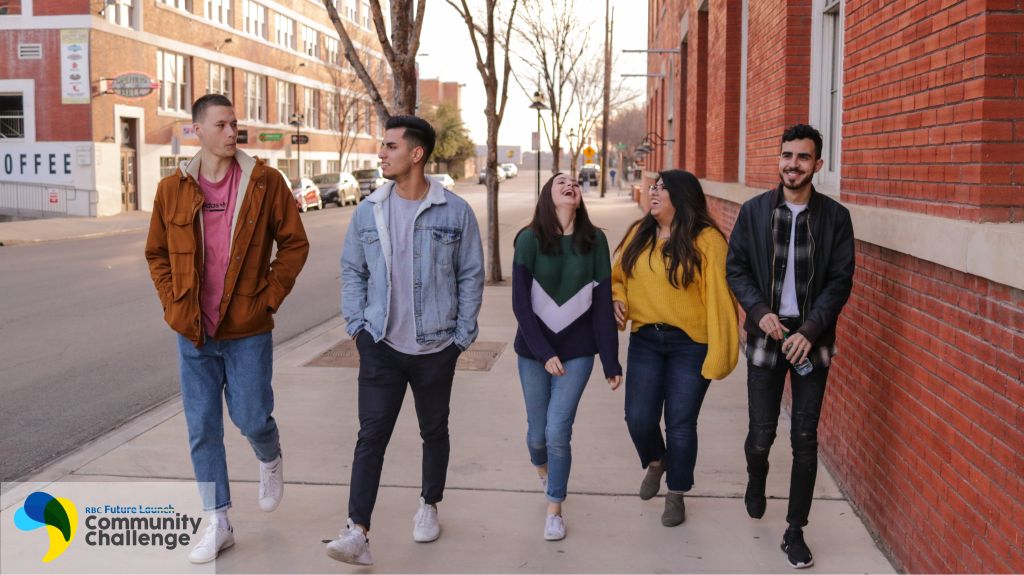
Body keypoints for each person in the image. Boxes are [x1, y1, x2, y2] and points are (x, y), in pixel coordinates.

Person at [144, 94, 309, 564]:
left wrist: (268, 297)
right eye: (221, 124)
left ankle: (269, 455)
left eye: (235, 123)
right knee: (202, 428)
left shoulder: (264, 182)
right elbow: (156, 253)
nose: (231, 132)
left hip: (247, 328)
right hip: (194, 331)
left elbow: (294, 245)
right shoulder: (172, 188)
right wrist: (173, 302)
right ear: (197, 130)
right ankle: (218, 520)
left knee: (252, 416)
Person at [328, 115, 485, 566]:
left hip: (437, 347)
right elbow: (353, 271)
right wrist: (358, 328)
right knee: (370, 435)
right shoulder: (369, 209)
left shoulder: (454, 211)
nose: (382, 153)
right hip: (380, 344)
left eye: (390, 146)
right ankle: (357, 530)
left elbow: (471, 274)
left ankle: (429, 505)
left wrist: (460, 337)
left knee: (433, 431)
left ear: (416, 154)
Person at [726, 124, 854, 569]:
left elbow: (840, 282)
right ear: (778, 159)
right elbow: (736, 268)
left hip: (810, 339)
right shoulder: (755, 212)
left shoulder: (835, 218)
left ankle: (795, 531)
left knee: (804, 438)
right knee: (761, 435)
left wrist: (811, 330)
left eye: (802, 157)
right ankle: (755, 477)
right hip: (766, 333)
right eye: (786, 155)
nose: (792, 164)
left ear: (817, 165)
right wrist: (758, 310)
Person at [612, 169, 738, 528]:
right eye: (653, 186)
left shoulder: (708, 240)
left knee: (681, 424)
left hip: (691, 344)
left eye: (662, 188)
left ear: (681, 197)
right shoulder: (639, 234)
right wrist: (617, 300)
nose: (653, 192)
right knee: (638, 418)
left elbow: (720, 299)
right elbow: (617, 277)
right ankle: (656, 461)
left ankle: (677, 493)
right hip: (646, 339)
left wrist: (721, 352)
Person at [512, 173, 623, 541]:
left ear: (579, 197)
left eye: (575, 182)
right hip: (533, 351)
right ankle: (544, 470)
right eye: (561, 181)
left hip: (577, 352)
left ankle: (554, 507)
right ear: (548, 195)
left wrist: (610, 361)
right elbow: (521, 307)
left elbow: (603, 306)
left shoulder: (596, 242)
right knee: (536, 436)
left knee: (558, 430)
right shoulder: (528, 240)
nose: (570, 184)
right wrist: (544, 354)